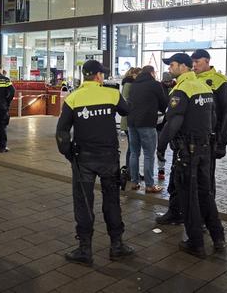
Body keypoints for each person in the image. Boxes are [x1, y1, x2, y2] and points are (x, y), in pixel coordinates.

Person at [56, 60, 135, 266]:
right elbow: (127, 110)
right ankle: (117, 245)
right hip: (109, 157)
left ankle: (85, 249)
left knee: (83, 203)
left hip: (84, 159)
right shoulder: (111, 94)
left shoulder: (73, 98)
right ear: (98, 76)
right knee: (112, 200)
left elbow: (62, 131)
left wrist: (68, 153)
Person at [156, 53, 224, 258]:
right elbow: (213, 118)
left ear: (184, 67)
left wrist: (161, 146)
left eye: (173, 65)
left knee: (188, 197)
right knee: (205, 194)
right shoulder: (204, 87)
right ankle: (218, 236)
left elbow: (174, 121)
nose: (170, 68)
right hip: (204, 149)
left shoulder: (182, 89)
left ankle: (196, 242)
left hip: (187, 152)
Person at [191, 49, 227, 195]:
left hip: (209, 139)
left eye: (197, 62)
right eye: (192, 62)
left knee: (205, 180)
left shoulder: (220, 81)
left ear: (207, 61)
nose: (194, 65)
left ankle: (207, 213)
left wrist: (222, 143)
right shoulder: (191, 80)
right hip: (190, 138)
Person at [127, 65, 168, 193]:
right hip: (147, 123)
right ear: (152, 73)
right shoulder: (154, 84)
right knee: (149, 155)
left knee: (134, 153)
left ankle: (134, 182)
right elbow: (163, 104)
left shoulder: (134, 84)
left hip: (131, 123)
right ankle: (149, 185)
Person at [120, 67, 139, 190]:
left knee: (133, 148)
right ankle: (129, 171)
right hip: (128, 120)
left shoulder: (130, 83)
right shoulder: (128, 84)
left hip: (129, 119)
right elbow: (126, 100)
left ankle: (132, 171)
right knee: (132, 148)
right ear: (134, 74)